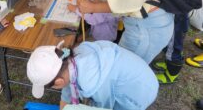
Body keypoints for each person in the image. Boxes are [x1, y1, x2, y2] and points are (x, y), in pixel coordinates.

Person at [27, 41, 159, 110]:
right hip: (138, 74)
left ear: (58, 82)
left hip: (140, 92)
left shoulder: (92, 82)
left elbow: (104, 107)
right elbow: (67, 89)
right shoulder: (69, 61)